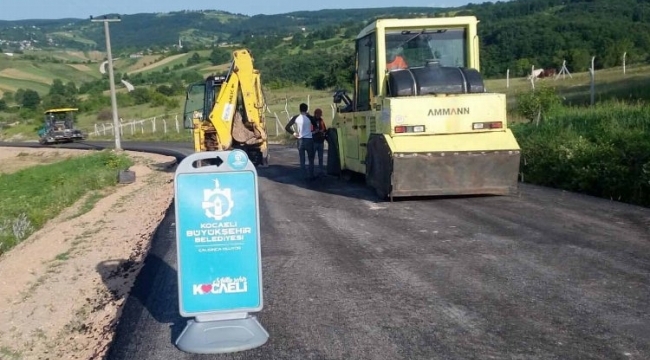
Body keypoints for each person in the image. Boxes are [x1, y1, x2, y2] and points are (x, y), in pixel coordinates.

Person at [285, 103, 317, 180]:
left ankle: (303, 175)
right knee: (311, 159)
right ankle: (311, 175)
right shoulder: (310, 117)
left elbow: (287, 127)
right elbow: (316, 126)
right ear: (306, 109)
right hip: (309, 139)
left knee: (302, 159)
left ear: (300, 109)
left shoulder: (296, 117)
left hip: (300, 139)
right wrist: (312, 132)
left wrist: (294, 133)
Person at [311, 108, 327, 176]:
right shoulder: (311, 121)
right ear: (316, 114)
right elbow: (310, 131)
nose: (320, 116)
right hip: (314, 141)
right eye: (319, 114)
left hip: (320, 141)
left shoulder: (321, 121)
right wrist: (315, 132)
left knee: (321, 157)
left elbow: (324, 129)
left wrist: (322, 132)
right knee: (312, 157)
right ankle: (311, 171)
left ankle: (321, 171)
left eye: (320, 114)